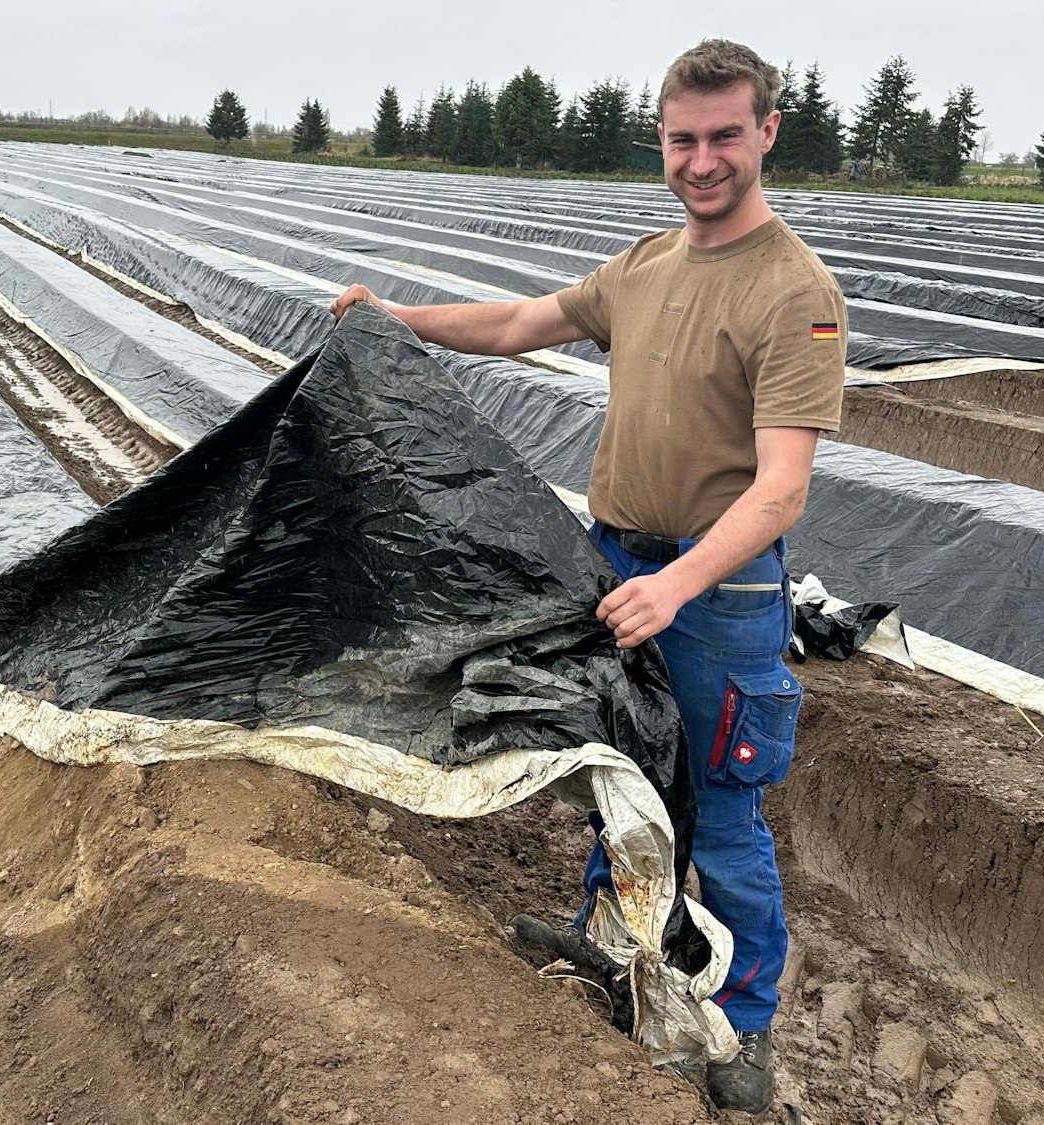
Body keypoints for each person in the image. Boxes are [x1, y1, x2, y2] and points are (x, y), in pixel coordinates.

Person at [329, 38, 845, 1113]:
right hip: (616, 561)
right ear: (661, 141)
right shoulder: (648, 265)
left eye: (722, 137)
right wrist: (394, 321)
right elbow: (522, 324)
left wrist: (679, 585)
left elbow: (781, 489)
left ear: (765, 134)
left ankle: (742, 1023)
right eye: (680, 140)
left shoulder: (793, 292)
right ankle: (608, 942)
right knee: (617, 770)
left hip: (717, 592)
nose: (700, 160)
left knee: (722, 807)